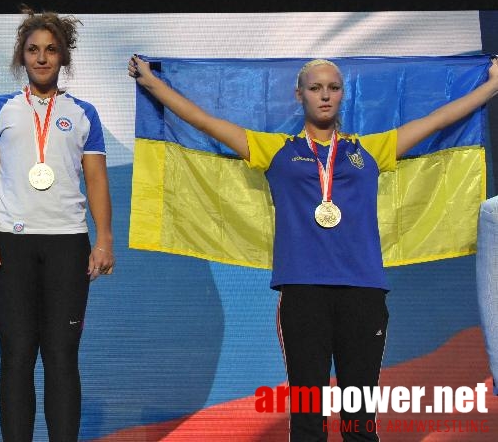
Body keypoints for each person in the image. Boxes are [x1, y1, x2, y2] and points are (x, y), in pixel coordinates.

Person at [129, 54, 498, 442]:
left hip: (364, 293)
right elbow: (206, 122)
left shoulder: (370, 150)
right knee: (308, 415)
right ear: (299, 95)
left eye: (333, 88)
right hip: (303, 293)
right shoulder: (276, 149)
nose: (325, 95)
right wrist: (154, 85)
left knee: (359, 417)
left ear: (343, 95)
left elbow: (436, 121)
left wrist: (491, 86)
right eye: (315, 88)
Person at [0, 7, 115, 441]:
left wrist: (104, 238)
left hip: (68, 246)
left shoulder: (84, 113)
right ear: (21, 56)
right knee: (15, 356)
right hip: (9, 246)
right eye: (33, 50)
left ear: (63, 57)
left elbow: (96, 179)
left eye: (51, 50)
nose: (41, 57)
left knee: (61, 357)